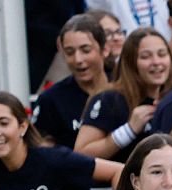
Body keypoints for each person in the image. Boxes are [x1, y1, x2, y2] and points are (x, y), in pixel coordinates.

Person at [74, 27, 172, 163]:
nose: (156, 62)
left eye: (162, 54)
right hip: (117, 183)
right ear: (131, 62)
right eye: (146, 56)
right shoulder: (110, 99)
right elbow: (80, 154)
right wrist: (128, 131)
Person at [33, 14, 113, 151]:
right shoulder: (51, 100)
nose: (78, 59)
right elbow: (41, 155)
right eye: (69, 52)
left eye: (86, 50)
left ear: (104, 49)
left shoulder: (125, 88)